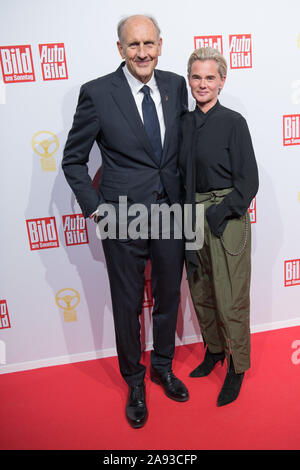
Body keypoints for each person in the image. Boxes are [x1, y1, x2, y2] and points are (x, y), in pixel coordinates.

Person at [62, 14, 189, 428]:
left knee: (168, 297)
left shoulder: (174, 85)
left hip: (171, 210)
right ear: (120, 49)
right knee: (128, 304)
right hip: (123, 218)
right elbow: (73, 159)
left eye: (149, 44)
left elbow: (177, 149)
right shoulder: (97, 94)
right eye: (133, 45)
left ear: (160, 45)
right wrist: (96, 207)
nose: (142, 53)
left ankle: (163, 367)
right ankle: (135, 380)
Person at [179, 47, 259, 406]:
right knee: (201, 292)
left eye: (210, 77)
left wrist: (221, 210)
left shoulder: (233, 121)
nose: (202, 84)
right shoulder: (183, 123)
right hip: (191, 217)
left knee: (231, 299)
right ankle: (214, 351)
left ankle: (237, 365)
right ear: (189, 79)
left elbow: (249, 180)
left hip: (226, 219)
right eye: (196, 77)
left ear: (222, 81)